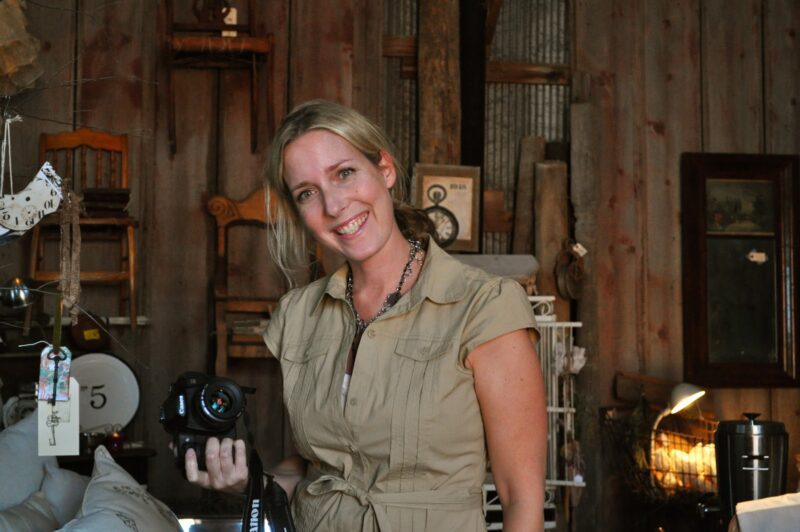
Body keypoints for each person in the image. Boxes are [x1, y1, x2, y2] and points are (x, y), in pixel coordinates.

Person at [185, 100, 548, 531]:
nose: (334, 205)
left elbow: (521, 498)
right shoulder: (298, 316)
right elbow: (317, 470)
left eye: (344, 173)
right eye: (307, 192)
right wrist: (244, 482)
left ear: (385, 169)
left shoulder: (483, 306)